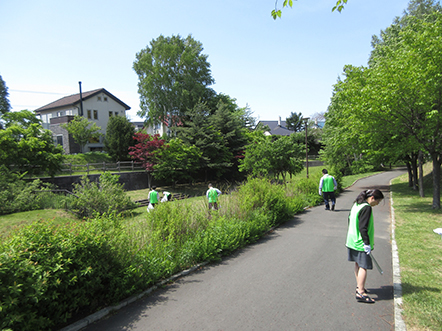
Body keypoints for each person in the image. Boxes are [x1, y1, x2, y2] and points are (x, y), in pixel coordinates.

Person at [346, 189, 384, 304]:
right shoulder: (366, 207)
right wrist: (366, 243)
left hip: (352, 240)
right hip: (360, 243)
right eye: (377, 201)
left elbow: (349, 219)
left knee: (358, 264)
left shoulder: (356, 204)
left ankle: (359, 286)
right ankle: (361, 293)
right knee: (363, 266)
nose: (377, 204)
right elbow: (363, 227)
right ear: (372, 198)